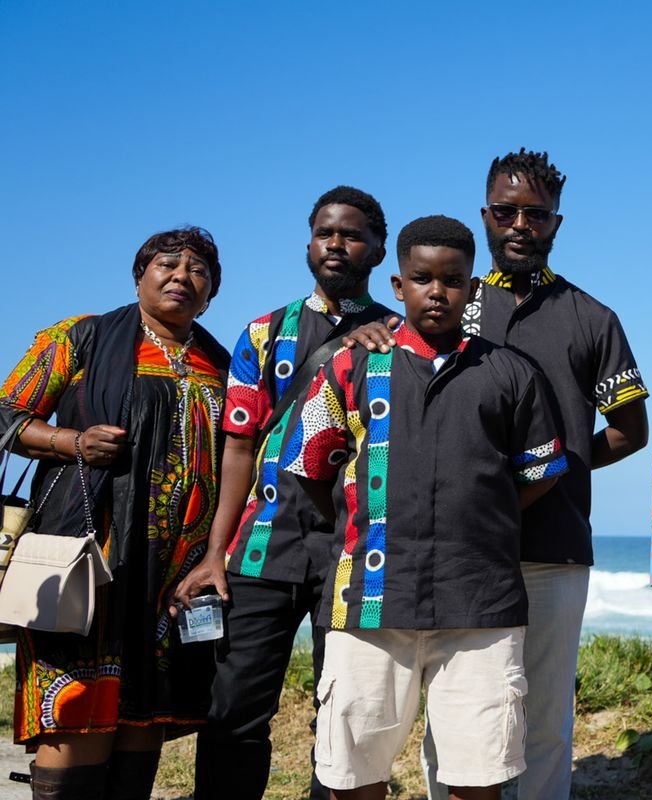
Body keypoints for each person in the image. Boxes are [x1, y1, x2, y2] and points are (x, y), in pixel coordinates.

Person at [349, 150, 650, 800]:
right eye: (506, 211)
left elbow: (632, 431)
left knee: (543, 718)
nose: (520, 224)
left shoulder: (591, 318)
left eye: (536, 214)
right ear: (484, 216)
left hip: (551, 548)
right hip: (451, 554)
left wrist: (556, 471)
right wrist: (369, 331)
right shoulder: (449, 300)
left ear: (556, 223)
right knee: (451, 720)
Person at [286, 215, 569, 800]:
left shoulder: (511, 373)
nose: (437, 292)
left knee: (478, 778)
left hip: (481, 607)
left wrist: (480, 517)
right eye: (422, 279)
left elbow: (537, 474)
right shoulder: (349, 365)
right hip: (367, 605)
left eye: (452, 280)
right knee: (353, 778)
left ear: (472, 288)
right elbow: (312, 467)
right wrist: (365, 520)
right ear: (398, 285)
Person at [171, 186, 395, 800]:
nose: (336, 244)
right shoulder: (265, 333)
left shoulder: (399, 337)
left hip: (355, 552)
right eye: (325, 233)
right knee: (233, 712)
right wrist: (215, 554)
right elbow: (238, 447)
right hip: (261, 546)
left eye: (352, 235)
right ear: (309, 243)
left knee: (344, 717)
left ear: (378, 250)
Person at [0, 227, 230, 800]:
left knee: (144, 715)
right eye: (167, 263)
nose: (182, 275)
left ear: (211, 293)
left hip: (175, 578)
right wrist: (71, 442)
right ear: (139, 276)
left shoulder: (220, 363)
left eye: (198, 270)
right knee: (76, 708)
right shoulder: (83, 336)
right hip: (90, 561)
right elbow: (6, 413)